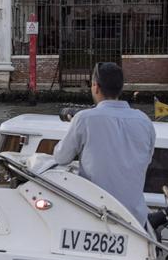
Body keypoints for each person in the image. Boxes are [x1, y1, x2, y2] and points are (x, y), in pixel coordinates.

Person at [53, 62, 156, 224]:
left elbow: (61, 157)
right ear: (120, 88)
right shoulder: (144, 121)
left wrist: (75, 126)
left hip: (97, 214)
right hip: (134, 218)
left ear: (95, 86)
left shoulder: (84, 118)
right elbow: (146, 159)